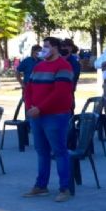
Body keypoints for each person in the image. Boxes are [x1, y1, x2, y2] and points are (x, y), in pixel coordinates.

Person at [22, 37, 75, 202]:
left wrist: (40, 108)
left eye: (46, 46)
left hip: (55, 115)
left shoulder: (64, 66)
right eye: (42, 46)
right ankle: (41, 185)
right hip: (36, 116)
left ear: (55, 48)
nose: (42, 50)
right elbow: (28, 89)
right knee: (42, 151)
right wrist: (30, 107)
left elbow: (60, 93)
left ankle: (64, 188)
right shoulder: (38, 66)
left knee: (59, 151)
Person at [60, 38, 81, 111]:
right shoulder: (58, 59)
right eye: (62, 46)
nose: (63, 48)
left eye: (65, 46)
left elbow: (73, 77)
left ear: (71, 48)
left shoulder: (74, 62)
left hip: (68, 92)